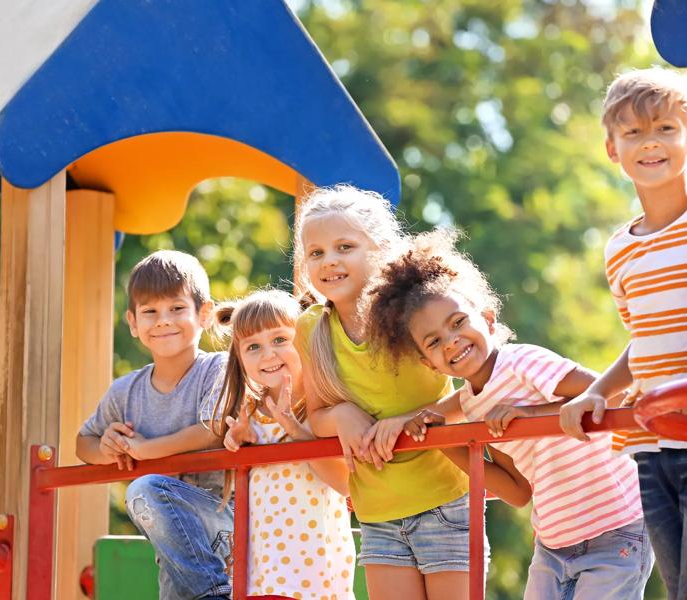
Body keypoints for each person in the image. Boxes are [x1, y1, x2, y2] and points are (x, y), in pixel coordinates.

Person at [365, 229, 653, 600]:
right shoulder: (473, 404)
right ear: (428, 362)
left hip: (616, 527)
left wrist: (530, 414)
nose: (451, 340)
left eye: (457, 322)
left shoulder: (523, 362)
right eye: (434, 341)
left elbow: (610, 394)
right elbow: (517, 492)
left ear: (487, 318)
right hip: (554, 543)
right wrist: (440, 441)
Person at [292, 185, 474, 600]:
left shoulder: (414, 313)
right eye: (315, 252)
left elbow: (476, 390)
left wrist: (410, 421)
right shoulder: (311, 330)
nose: (329, 260)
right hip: (376, 513)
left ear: (381, 250)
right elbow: (316, 416)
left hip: (443, 501)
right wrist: (339, 415)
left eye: (345, 246)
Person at [559, 67, 687, 600]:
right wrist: (597, 392)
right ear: (612, 149)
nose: (650, 143)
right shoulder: (621, 249)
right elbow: (646, 341)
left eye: (665, 128)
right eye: (633, 132)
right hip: (650, 445)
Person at [76, 250, 232, 600]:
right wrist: (107, 448)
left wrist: (144, 450)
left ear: (204, 314)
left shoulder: (218, 369)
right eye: (150, 312)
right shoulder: (126, 391)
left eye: (177, 308)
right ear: (133, 323)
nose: (163, 321)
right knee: (147, 494)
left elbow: (212, 430)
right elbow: (83, 441)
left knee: (145, 490)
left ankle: (215, 592)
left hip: (223, 518)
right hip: (175, 549)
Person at [213, 289, 355, 599]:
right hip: (259, 570)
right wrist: (236, 442)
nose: (267, 355)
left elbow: (345, 484)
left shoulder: (323, 408)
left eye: (279, 340)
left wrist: (296, 431)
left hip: (310, 566)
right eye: (253, 346)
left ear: (304, 339)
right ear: (239, 358)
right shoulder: (249, 413)